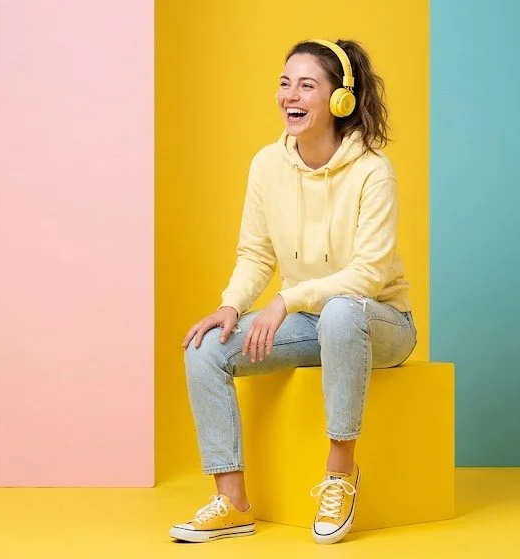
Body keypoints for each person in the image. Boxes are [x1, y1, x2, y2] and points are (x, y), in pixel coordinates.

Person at [169, 38, 416, 545]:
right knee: (203, 350)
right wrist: (231, 305)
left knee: (343, 312)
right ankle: (232, 502)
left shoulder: (373, 172)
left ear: (340, 100)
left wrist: (287, 300)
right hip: (313, 321)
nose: (291, 95)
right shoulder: (267, 165)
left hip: (381, 322)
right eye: (285, 83)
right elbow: (256, 254)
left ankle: (340, 473)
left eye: (307, 84)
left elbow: (368, 275)